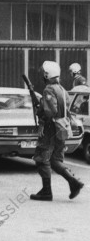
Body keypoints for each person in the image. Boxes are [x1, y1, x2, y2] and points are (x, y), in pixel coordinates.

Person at [31, 61, 84, 201]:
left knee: (42, 158)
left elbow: (51, 112)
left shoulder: (49, 89)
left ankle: (46, 192)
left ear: (47, 75)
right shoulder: (62, 89)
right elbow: (65, 110)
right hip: (61, 128)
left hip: (50, 129)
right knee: (55, 160)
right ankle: (74, 182)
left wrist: (41, 113)